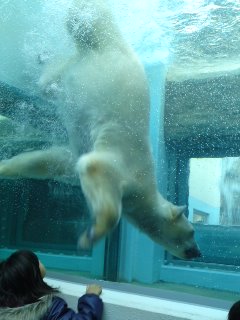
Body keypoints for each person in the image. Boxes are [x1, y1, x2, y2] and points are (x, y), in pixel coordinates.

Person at [0, 250, 103, 320]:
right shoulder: (50, 310)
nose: (40, 262)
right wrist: (91, 297)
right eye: (36, 261)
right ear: (34, 274)